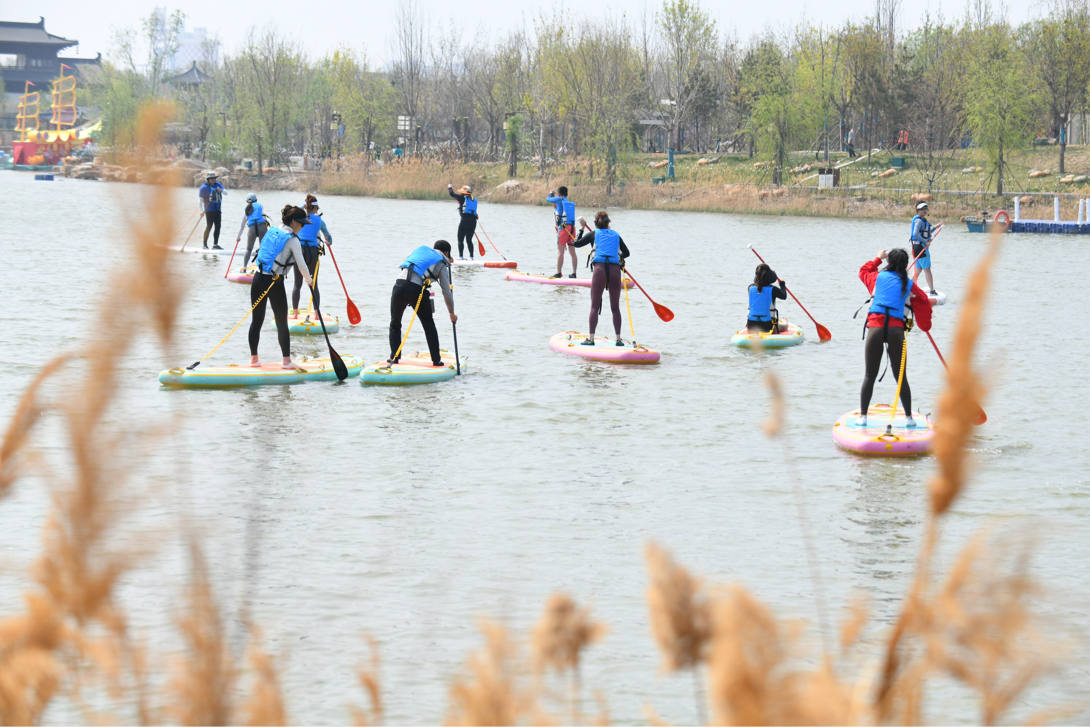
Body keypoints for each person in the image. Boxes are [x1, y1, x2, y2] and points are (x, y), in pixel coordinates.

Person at [856, 248, 933, 427]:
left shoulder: (876, 277)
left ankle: (863, 417)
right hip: (896, 331)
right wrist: (924, 326)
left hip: (875, 328)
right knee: (901, 377)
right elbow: (923, 302)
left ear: (888, 262)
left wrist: (877, 258)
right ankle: (909, 419)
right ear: (905, 265)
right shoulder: (909, 284)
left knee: (869, 375)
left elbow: (863, 271)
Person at [248, 206, 315, 369]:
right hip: (274, 283)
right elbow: (302, 265)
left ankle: (254, 360)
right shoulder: (293, 240)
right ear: (293, 222)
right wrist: (309, 280)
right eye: (301, 223)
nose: (303, 227)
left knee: (256, 321)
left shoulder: (272, 230)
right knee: (281, 323)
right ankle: (286, 362)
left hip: (257, 279)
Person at [389, 241, 458, 367]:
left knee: (395, 323)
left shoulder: (419, 251)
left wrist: (447, 260)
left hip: (399, 285)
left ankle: (394, 357)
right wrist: (451, 313)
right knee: (428, 325)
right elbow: (446, 291)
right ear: (447, 252)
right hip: (416, 290)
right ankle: (436, 360)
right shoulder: (442, 263)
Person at [573, 212, 631, 346]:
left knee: (594, 306)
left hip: (600, 271)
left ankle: (591, 339)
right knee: (615, 308)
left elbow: (576, 243)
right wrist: (618, 256)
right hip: (615, 271)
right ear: (608, 222)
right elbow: (627, 253)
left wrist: (581, 228)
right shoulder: (616, 235)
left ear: (595, 223)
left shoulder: (593, 234)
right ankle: (618, 340)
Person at [291, 194, 331, 319]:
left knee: (297, 284)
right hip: (313, 253)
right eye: (317, 208)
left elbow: (297, 210)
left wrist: (304, 206)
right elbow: (328, 237)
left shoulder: (299, 218)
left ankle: (295, 315)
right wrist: (328, 241)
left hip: (299, 251)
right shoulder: (319, 220)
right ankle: (317, 315)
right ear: (315, 208)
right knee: (314, 285)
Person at [546, 186, 578, 279]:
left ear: (559, 194)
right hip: (572, 228)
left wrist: (551, 193)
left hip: (564, 228)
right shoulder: (570, 203)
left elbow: (548, 199)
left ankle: (558, 273)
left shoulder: (558, 199)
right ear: (567, 194)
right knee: (573, 252)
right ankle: (574, 273)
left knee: (561, 251)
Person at [746, 264, 788, 333]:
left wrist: (771, 274)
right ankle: (785, 324)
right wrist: (782, 284)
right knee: (782, 326)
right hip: (767, 328)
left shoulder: (750, 288)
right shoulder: (773, 290)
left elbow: (760, 288)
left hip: (751, 327)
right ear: (769, 277)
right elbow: (784, 296)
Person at [234, 193, 268, 272]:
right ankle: (261, 268)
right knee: (262, 248)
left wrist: (238, 237)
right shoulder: (260, 205)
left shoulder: (245, 210)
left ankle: (244, 267)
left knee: (249, 249)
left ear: (247, 201)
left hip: (252, 229)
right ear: (256, 200)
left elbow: (242, 227)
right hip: (262, 227)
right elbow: (263, 216)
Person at [910, 201, 938, 295]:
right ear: (917, 210)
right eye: (922, 209)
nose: (924, 210)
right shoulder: (918, 220)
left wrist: (936, 227)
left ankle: (908, 288)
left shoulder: (922, 220)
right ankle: (932, 290)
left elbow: (926, 232)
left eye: (926, 208)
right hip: (921, 247)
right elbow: (915, 234)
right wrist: (925, 242)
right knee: (927, 270)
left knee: (918, 270)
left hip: (917, 247)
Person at [447, 184, 478, 260]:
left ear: (464, 193)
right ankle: (471, 257)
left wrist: (450, 187)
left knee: (460, 239)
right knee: (469, 240)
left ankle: (461, 257)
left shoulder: (462, 198)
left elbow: (451, 194)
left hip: (465, 221)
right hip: (473, 221)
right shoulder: (474, 199)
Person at [198, 172, 226, 249]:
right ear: (208, 179)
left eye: (214, 178)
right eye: (211, 178)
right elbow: (200, 200)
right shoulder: (204, 187)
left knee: (218, 227)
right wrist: (201, 210)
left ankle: (215, 245)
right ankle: (205, 245)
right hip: (209, 210)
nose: (213, 179)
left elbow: (226, 193)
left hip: (218, 210)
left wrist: (221, 190)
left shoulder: (218, 184)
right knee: (209, 227)